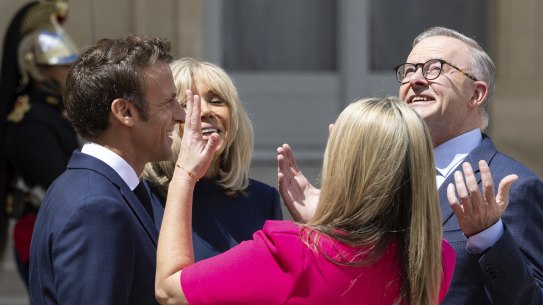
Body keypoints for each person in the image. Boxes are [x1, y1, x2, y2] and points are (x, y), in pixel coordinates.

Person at [278, 26, 543, 305]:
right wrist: (328, 226)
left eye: (434, 69)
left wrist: (489, 237)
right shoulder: (381, 176)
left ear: (476, 94)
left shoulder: (513, 186)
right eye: (409, 70)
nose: (415, 80)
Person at [155, 95, 456, 305]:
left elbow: (169, 289)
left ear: (347, 166)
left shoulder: (291, 252)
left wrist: (185, 173)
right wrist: (321, 224)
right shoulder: (435, 259)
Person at [28, 35, 184, 305]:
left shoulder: (91, 187)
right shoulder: (96, 206)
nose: (181, 115)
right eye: (168, 102)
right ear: (125, 112)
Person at [143, 58, 282, 261]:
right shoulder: (142, 198)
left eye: (217, 101)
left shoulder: (263, 200)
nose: (206, 111)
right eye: (187, 103)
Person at [0, 0, 79, 296]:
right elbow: (59, 181)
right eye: (62, 65)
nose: (70, 70)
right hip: (44, 235)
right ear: (39, 68)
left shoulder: (57, 110)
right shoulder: (30, 120)